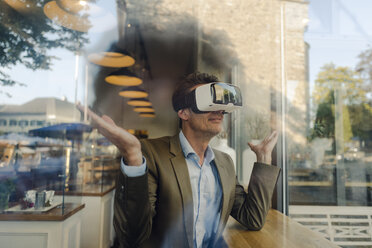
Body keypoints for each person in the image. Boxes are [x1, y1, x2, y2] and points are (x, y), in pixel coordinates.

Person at [79, 72, 280, 248]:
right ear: (183, 112)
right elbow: (132, 237)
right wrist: (132, 155)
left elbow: (252, 218)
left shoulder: (224, 162)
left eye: (220, 106)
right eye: (207, 103)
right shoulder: (151, 153)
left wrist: (263, 159)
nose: (218, 111)